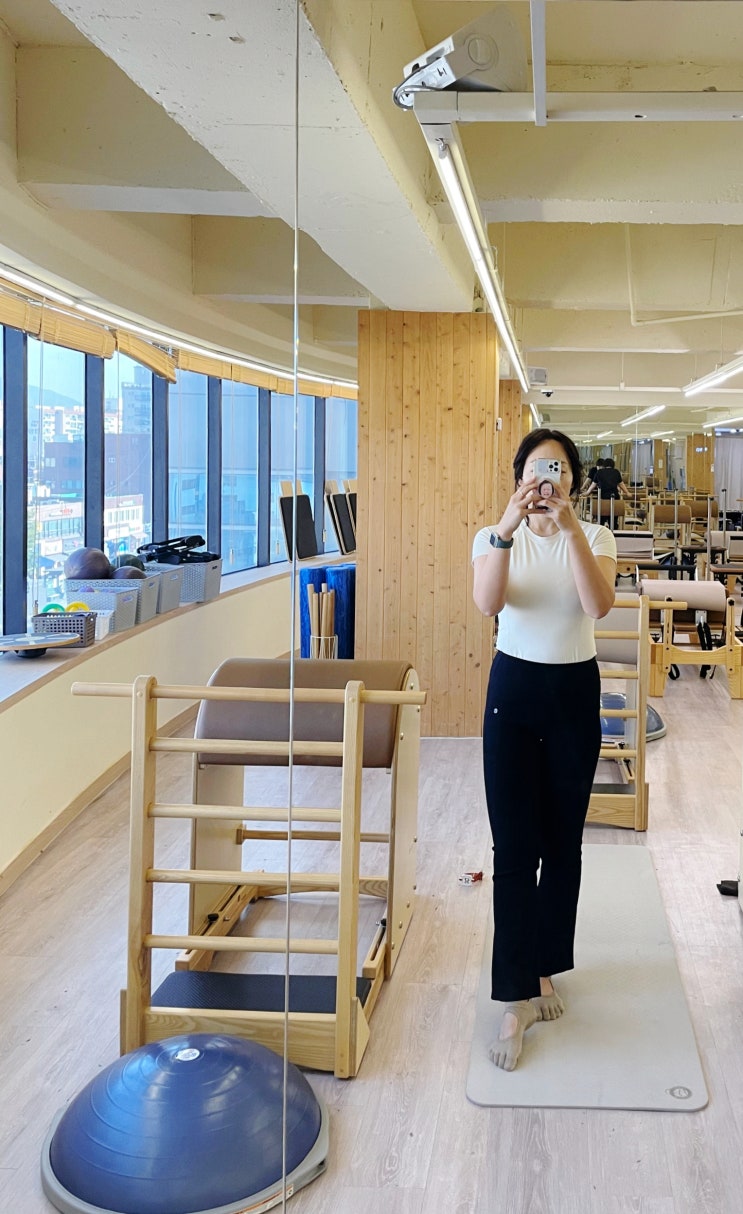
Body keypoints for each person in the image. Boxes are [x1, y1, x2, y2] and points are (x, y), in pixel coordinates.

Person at [471, 428, 617, 1071]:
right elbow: (487, 602)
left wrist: (571, 529)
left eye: (557, 468)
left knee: (562, 845)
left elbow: (599, 605)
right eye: (536, 469)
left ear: (573, 480)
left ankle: (545, 969)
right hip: (513, 693)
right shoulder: (492, 535)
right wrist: (508, 528)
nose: (546, 480)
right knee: (512, 849)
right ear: (519, 477)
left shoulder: (597, 537)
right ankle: (514, 997)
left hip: (573, 695)